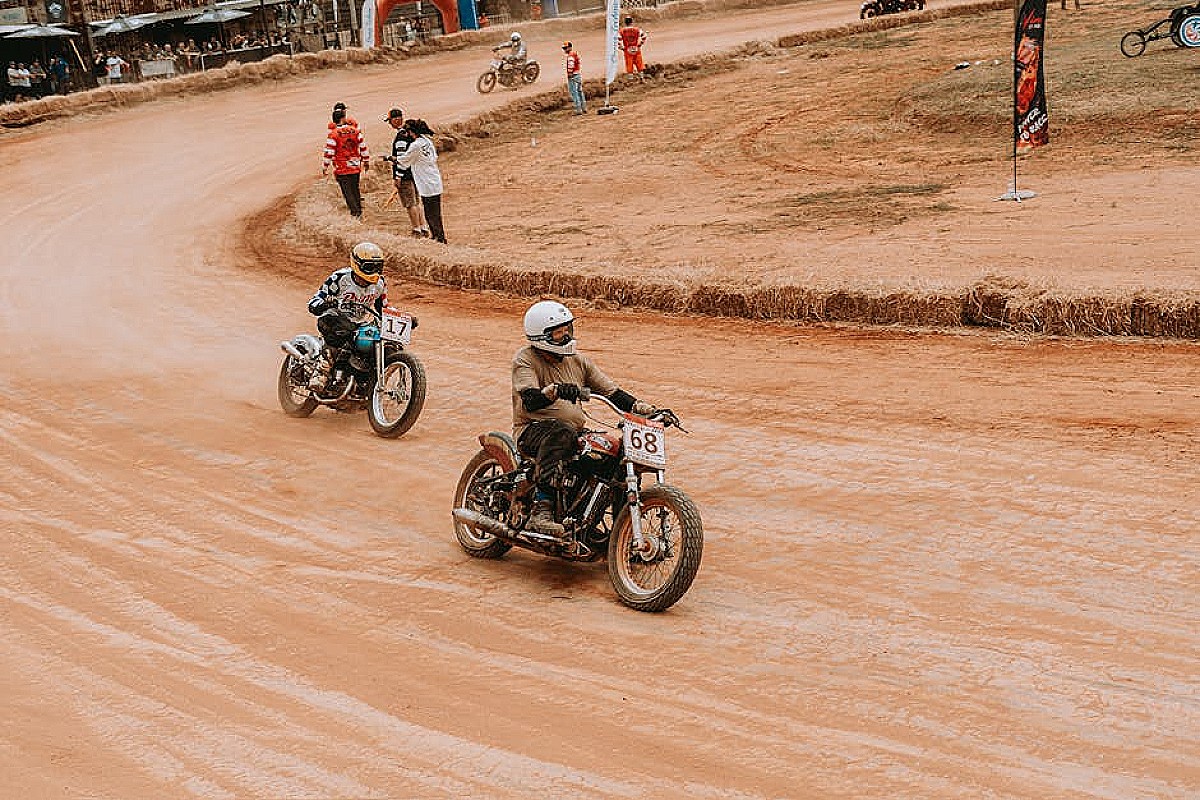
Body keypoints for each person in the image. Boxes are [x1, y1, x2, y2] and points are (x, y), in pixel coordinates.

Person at [511, 301, 656, 537]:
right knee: (563, 432)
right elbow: (530, 399)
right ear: (541, 335)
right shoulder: (525, 359)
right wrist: (554, 391)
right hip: (533, 431)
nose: (566, 335)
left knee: (615, 452)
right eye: (558, 332)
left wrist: (646, 409)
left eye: (567, 328)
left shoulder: (578, 361)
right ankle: (541, 509)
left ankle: (612, 527)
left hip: (571, 433)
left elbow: (612, 392)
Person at [306, 242, 388, 389]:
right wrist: (326, 303)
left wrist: (403, 318)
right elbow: (314, 302)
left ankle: (364, 382)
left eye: (378, 267)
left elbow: (383, 308)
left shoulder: (380, 284)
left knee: (377, 341)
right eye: (370, 267)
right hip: (332, 320)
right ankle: (320, 372)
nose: (375, 272)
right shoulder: (339, 278)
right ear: (357, 264)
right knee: (344, 329)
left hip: (357, 325)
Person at [393, 118, 446, 243]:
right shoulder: (426, 141)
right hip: (433, 178)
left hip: (426, 182)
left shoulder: (416, 145)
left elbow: (403, 160)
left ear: (412, 132)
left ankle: (439, 238)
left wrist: (389, 158)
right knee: (435, 213)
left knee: (430, 213)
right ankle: (438, 236)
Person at [381, 107, 430, 238]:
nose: (390, 124)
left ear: (396, 120)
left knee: (410, 203)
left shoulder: (401, 137)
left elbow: (401, 159)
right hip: (415, 172)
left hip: (405, 175)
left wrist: (398, 176)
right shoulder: (410, 133)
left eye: (390, 121)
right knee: (417, 202)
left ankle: (416, 230)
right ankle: (424, 227)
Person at [322, 106, 370, 218]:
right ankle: (359, 210)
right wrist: (366, 161)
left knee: (347, 192)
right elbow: (363, 147)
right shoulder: (355, 131)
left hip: (342, 167)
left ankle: (355, 213)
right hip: (355, 165)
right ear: (343, 118)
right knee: (355, 189)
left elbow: (329, 152)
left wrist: (325, 166)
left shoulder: (333, 134)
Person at [562, 41, 585, 115]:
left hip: (573, 76)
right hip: (577, 74)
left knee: (574, 93)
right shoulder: (574, 54)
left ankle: (578, 109)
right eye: (564, 48)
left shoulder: (570, 56)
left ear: (570, 47)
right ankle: (584, 108)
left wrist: (569, 73)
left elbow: (571, 65)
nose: (565, 50)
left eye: (566, 48)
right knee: (579, 92)